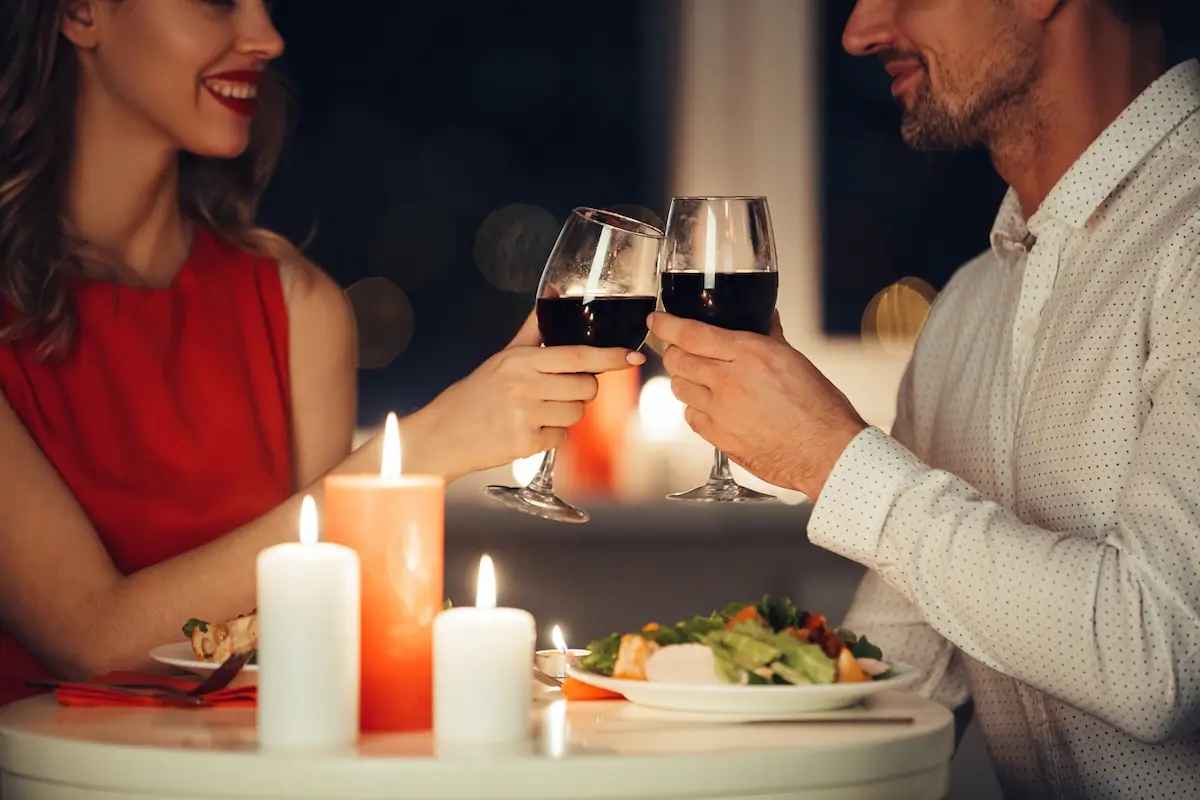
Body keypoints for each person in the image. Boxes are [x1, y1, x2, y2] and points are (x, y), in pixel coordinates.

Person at [0, 0, 644, 706]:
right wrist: (421, 450)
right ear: (80, 12)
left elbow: (331, 632)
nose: (267, 37)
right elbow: (87, 640)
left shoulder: (294, 306)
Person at [650, 0, 1200, 796]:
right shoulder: (967, 310)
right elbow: (893, 681)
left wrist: (829, 457)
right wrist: (647, 706)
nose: (860, 31)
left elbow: (1161, 659)